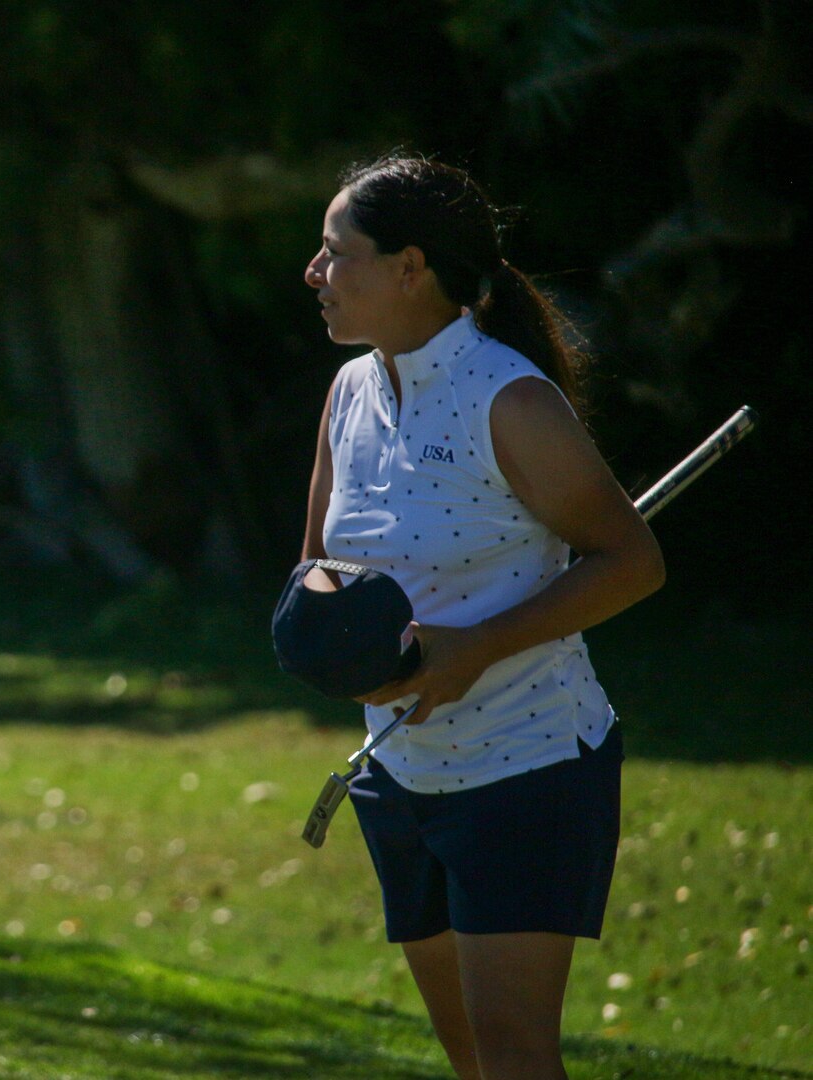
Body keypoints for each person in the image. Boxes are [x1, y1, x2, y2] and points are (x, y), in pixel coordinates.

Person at [298, 155, 665, 1080]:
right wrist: (332, 641)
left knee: (512, 1053)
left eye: (336, 252)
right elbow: (317, 570)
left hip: (528, 766)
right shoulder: (349, 394)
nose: (314, 272)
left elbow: (633, 561)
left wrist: (479, 648)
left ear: (411, 267)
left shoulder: (511, 400)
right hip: (399, 772)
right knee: (469, 1055)